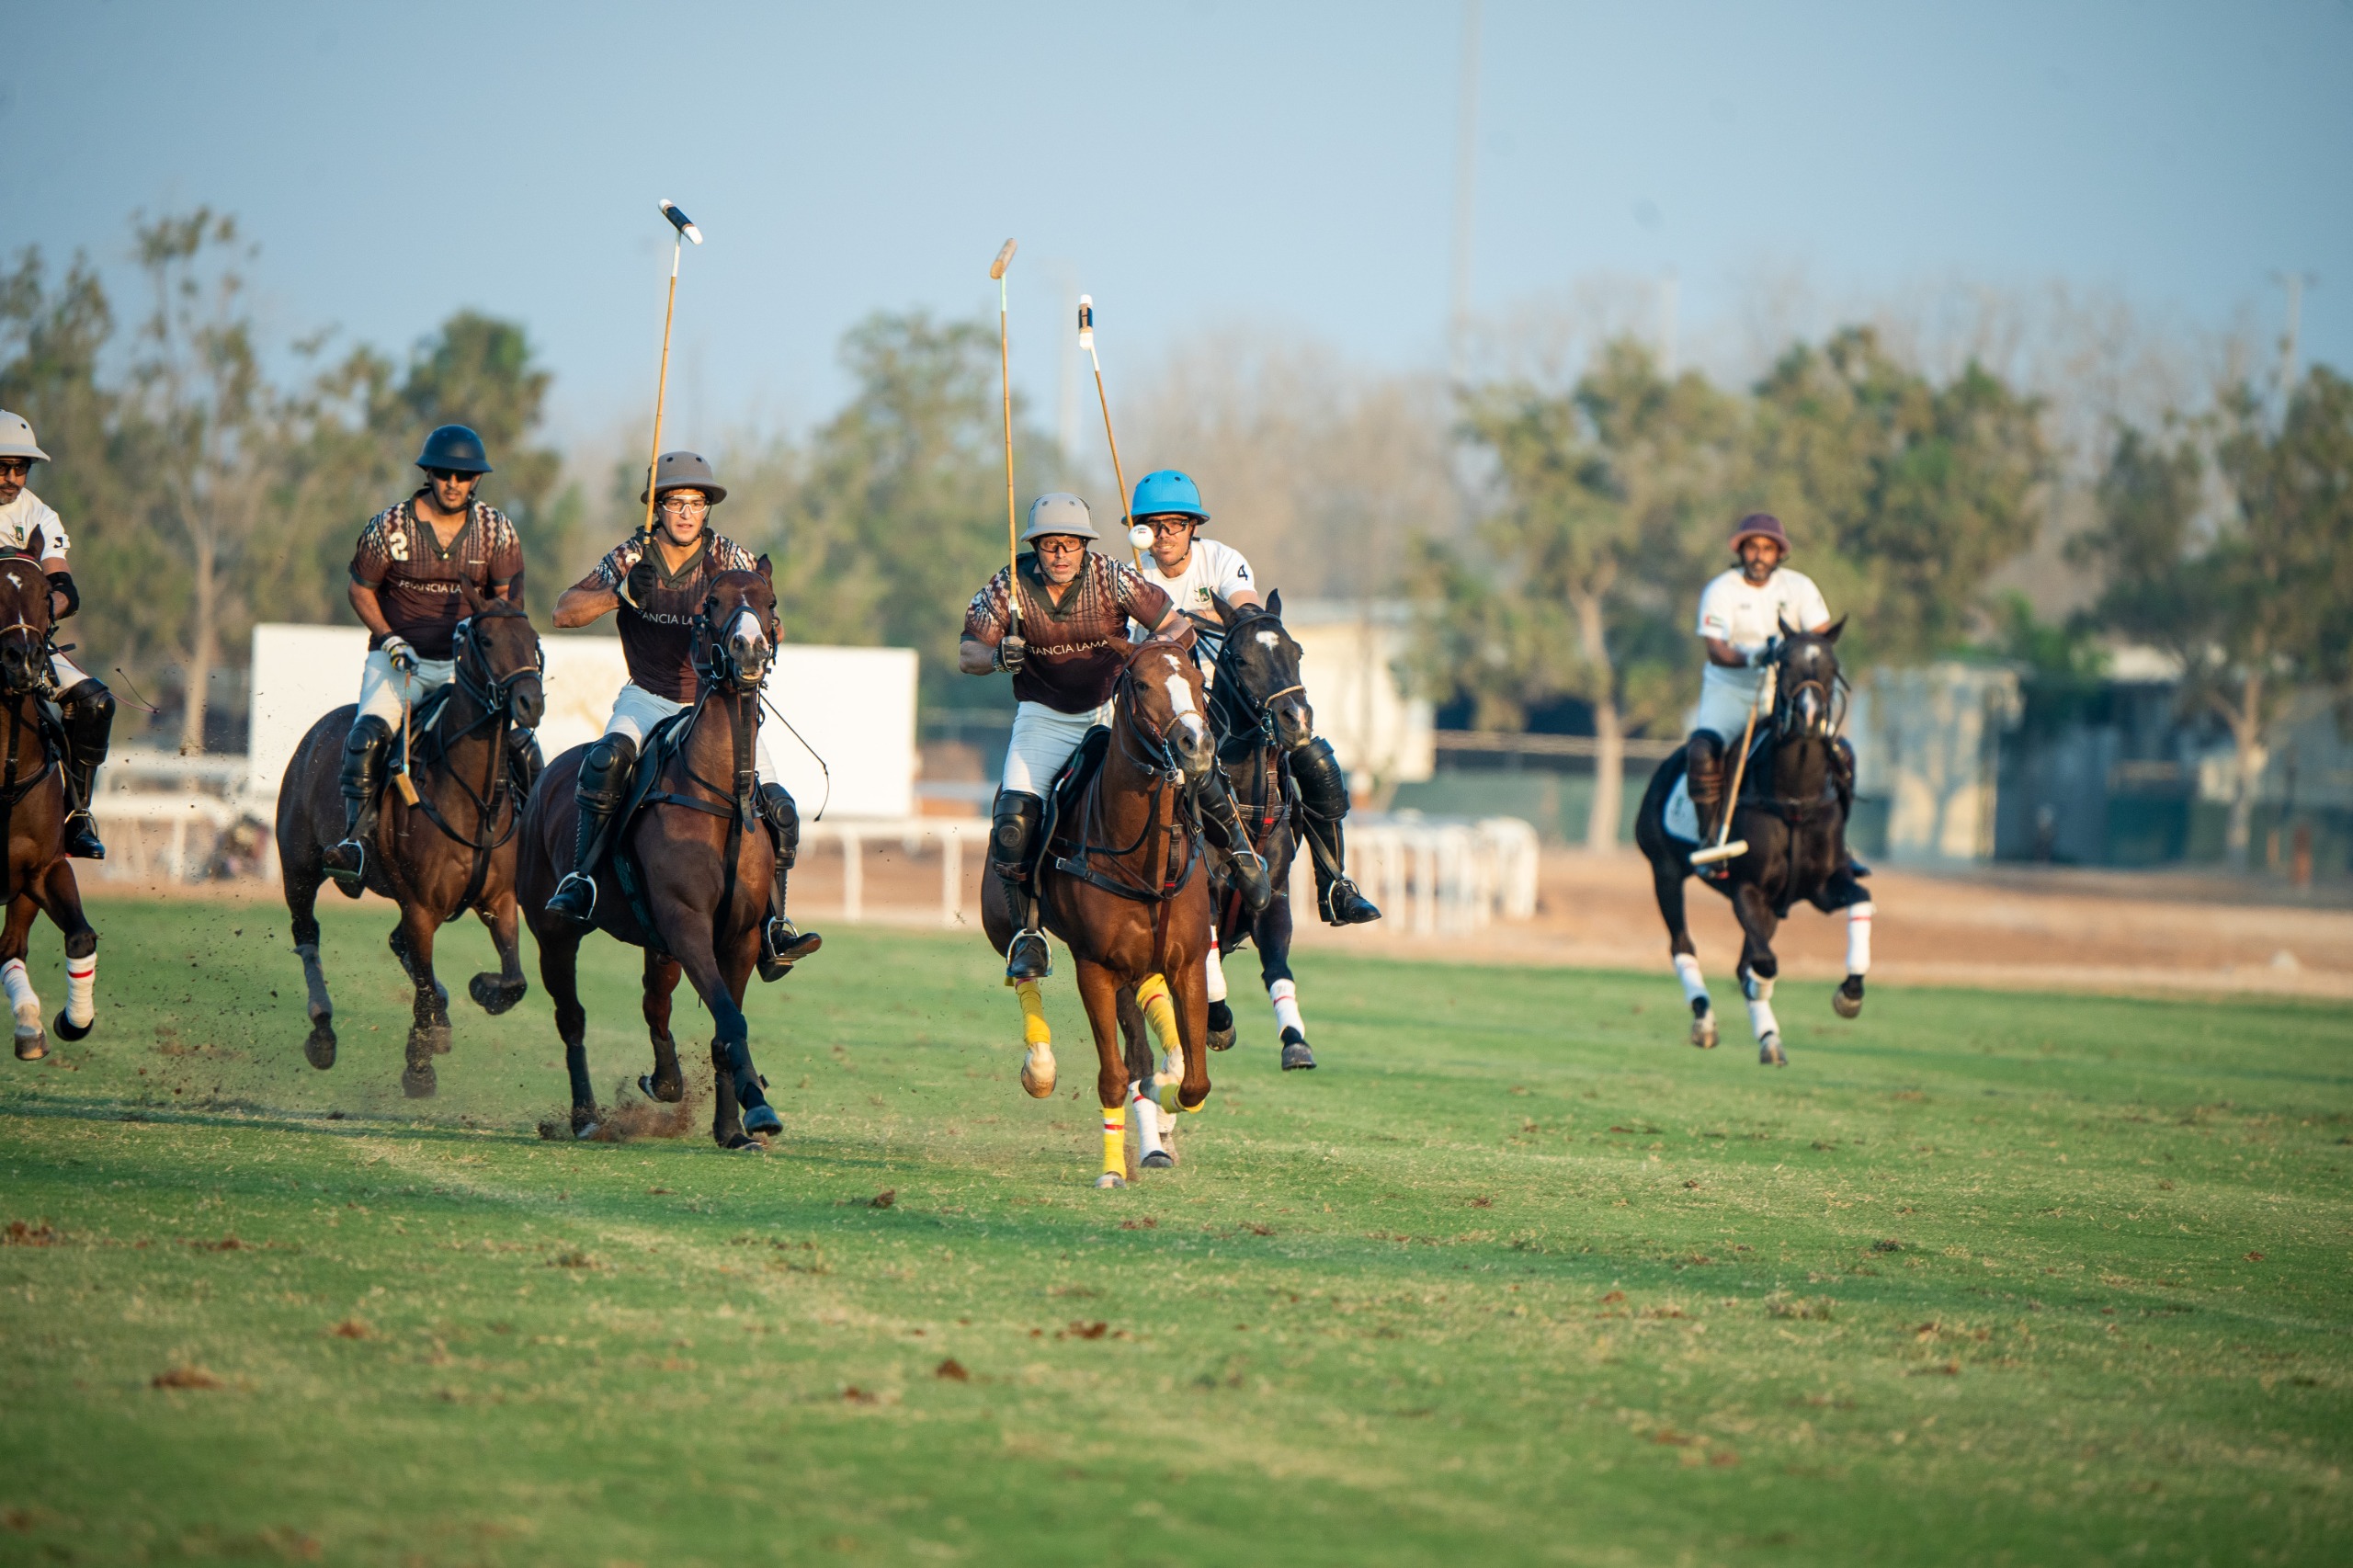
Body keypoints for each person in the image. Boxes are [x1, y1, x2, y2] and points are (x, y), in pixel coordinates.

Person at [543, 450, 818, 979]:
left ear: (707, 508)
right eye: (675, 502)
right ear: (659, 508)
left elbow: (764, 616)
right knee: (605, 763)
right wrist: (618, 594)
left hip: (714, 705)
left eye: (696, 503)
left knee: (779, 807)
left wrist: (764, 630)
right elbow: (563, 611)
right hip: (648, 697)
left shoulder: (727, 558)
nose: (687, 513)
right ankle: (581, 880)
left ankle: (774, 924)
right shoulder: (632, 557)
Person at [959, 492, 1256, 982]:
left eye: (1070, 545)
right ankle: (1027, 932)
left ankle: (1241, 858)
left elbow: (1176, 628)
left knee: (1186, 781)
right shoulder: (1007, 585)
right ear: (1036, 546)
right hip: (1043, 718)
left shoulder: (1113, 577)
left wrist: (1150, 656)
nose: (1061, 555)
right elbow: (967, 653)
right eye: (1051, 544)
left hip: (1108, 714)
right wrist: (997, 659)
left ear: (1083, 546)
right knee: (1013, 823)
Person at [1125, 469, 1378, 926]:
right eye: (1152, 526)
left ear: (1192, 527)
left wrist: (1180, 618)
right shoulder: (1131, 576)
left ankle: (1335, 885)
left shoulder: (1222, 559)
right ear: (1140, 531)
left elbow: (1247, 613)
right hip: (1166, 712)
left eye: (1174, 525)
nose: (1163, 536)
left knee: (1313, 758)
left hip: (1226, 698)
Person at [323, 426, 536, 884]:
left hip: (467, 668)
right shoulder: (389, 527)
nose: (453, 484)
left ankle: (534, 846)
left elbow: (507, 604)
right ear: (429, 474)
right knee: (366, 740)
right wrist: (388, 636)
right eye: (444, 474)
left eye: (463, 475)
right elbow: (360, 591)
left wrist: (489, 641)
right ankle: (357, 844)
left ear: (476, 480)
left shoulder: (496, 531)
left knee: (521, 746)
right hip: (399, 661)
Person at [1688, 512, 1853, 858]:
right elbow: (1716, 649)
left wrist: (1800, 656)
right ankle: (1711, 838)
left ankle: (1838, 843)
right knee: (1703, 754)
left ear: (1779, 553)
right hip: (1730, 692)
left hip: (1785, 695)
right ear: (1741, 551)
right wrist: (1753, 657)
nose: (1759, 555)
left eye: (1767, 548)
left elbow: (1819, 637)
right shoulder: (1721, 590)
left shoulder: (1799, 588)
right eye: (1752, 548)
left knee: (1839, 755)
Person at [0, 410, 113, 859]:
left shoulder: (40, 514)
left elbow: (65, 588)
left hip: (25, 643)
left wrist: (39, 612)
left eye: (20, 468)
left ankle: (76, 815)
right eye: (2, 467)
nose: (11, 478)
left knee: (96, 702)